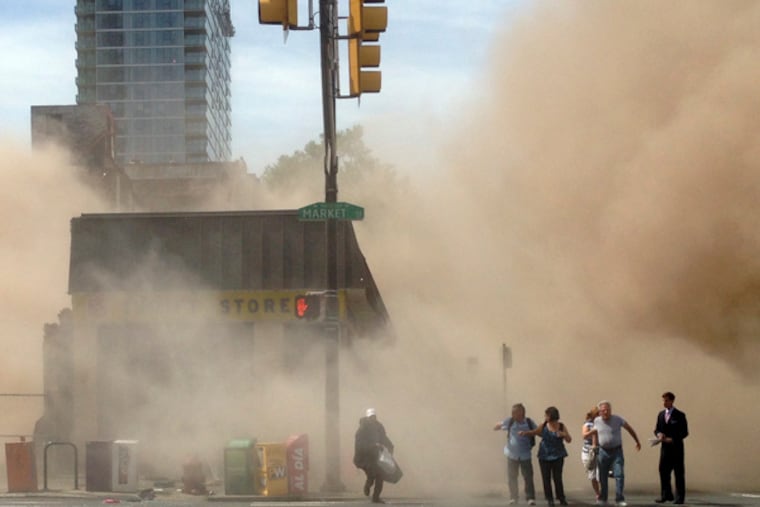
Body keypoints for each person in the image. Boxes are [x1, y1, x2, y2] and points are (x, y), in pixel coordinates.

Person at [590, 400, 641, 506]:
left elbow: (629, 428)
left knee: (619, 474)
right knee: (603, 476)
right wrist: (594, 445)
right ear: (599, 412)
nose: (606, 412)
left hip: (616, 451)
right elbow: (595, 433)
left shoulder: (617, 419)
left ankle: (619, 499)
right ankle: (603, 499)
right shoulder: (597, 421)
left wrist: (637, 441)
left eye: (608, 410)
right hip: (603, 451)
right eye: (603, 410)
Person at [520, 406, 572, 506]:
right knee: (546, 478)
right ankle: (549, 499)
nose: (545, 416)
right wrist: (525, 433)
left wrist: (564, 435)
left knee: (557, 478)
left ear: (551, 416)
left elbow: (569, 440)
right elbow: (534, 432)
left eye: (546, 415)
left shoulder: (561, 426)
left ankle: (561, 498)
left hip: (558, 455)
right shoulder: (543, 425)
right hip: (544, 456)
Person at [493, 403, 537, 505]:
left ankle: (530, 497)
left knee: (528, 477)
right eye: (512, 412)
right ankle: (513, 497)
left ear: (521, 413)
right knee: (512, 476)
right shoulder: (510, 421)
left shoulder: (529, 422)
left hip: (525, 454)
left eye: (515, 412)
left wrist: (528, 433)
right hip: (512, 454)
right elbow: (498, 426)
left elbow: (537, 431)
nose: (513, 414)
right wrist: (498, 425)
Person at [654, 392, 688, 504]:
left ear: (672, 401)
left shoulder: (680, 415)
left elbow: (684, 432)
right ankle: (666, 495)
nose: (664, 402)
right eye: (663, 400)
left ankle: (680, 497)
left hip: (677, 449)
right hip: (665, 449)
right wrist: (659, 434)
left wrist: (672, 439)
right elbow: (657, 429)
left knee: (678, 473)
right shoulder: (660, 414)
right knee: (663, 471)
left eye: (666, 400)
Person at [353, 408, 394, 504]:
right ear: (367, 418)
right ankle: (368, 485)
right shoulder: (361, 430)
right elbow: (360, 446)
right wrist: (373, 445)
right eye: (371, 417)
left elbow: (383, 438)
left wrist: (390, 446)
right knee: (372, 475)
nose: (373, 419)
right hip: (363, 458)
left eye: (374, 417)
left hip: (375, 456)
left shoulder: (378, 427)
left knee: (380, 475)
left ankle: (376, 497)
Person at [581, 406, 601, 502]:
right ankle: (598, 494)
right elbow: (584, 435)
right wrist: (594, 430)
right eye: (598, 414)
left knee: (600, 474)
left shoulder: (604, 423)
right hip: (589, 452)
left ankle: (602, 494)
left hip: (601, 451)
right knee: (592, 475)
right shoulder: (588, 424)